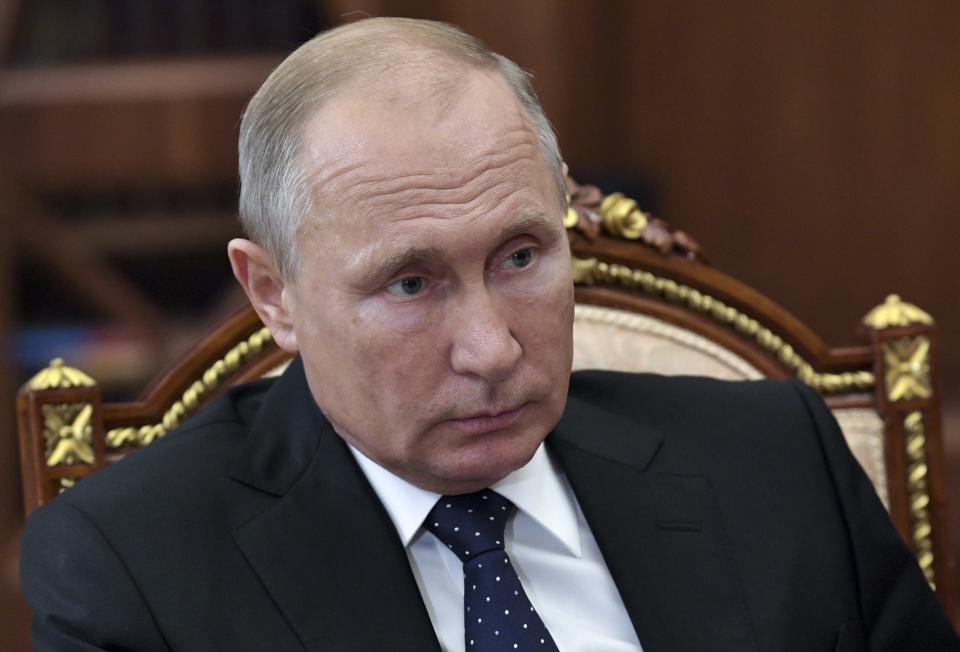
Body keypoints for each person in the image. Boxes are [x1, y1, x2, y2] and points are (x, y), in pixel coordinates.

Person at [19, 17, 960, 652]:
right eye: (411, 282)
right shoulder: (133, 570)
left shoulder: (778, 465)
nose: (493, 349)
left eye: (519, 258)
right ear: (274, 297)